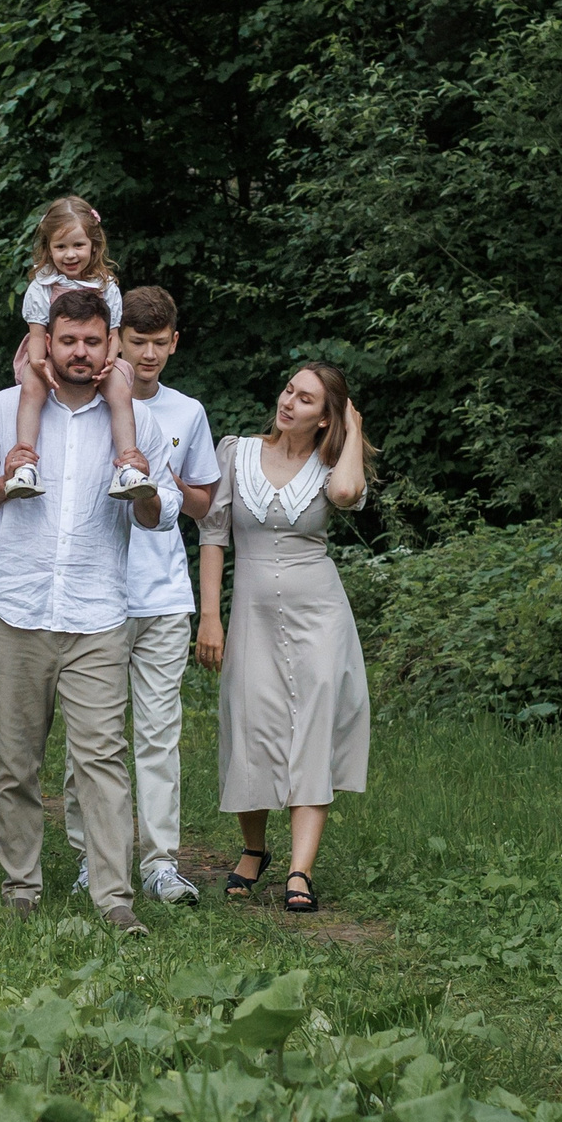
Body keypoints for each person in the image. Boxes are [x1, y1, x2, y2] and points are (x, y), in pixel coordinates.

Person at [0, 290, 178, 934]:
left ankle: (114, 898)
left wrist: (139, 489)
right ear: (46, 342)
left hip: (97, 612)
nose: (80, 352)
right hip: (14, 608)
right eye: (67, 340)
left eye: (92, 341)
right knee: (15, 760)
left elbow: (158, 514)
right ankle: (20, 886)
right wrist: (4, 480)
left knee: (101, 759)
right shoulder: (5, 411)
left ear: (111, 344)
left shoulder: (140, 423)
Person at [194, 361, 374, 915]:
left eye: (307, 400)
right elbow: (213, 535)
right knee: (251, 723)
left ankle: (301, 869)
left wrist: (354, 428)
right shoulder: (237, 453)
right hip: (250, 615)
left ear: (326, 418)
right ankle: (254, 850)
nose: (289, 402)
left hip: (319, 615)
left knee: (312, 729)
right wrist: (210, 616)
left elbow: (346, 492)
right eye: (289, 390)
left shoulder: (331, 463)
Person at [66, 285, 221, 907]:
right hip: (97, 597)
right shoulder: (82, 405)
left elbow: (208, 505)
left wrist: (163, 477)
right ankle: (92, 858)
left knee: (159, 733)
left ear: (175, 343)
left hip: (163, 597)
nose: (149, 354)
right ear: (115, 341)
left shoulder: (188, 414)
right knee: (94, 737)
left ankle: (160, 862)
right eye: (138, 342)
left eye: (160, 343)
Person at [5, 196, 150, 502]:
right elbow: (36, 334)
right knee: (32, 389)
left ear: (94, 245)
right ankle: (26, 465)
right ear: (48, 249)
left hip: (100, 357)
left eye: (78, 246)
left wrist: (110, 361)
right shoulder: (42, 286)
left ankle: (127, 466)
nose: (70, 255)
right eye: (60, 247)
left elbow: (113, 335)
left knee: (121, 392)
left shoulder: (106, 285)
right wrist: (38, 363)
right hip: (45, 353)